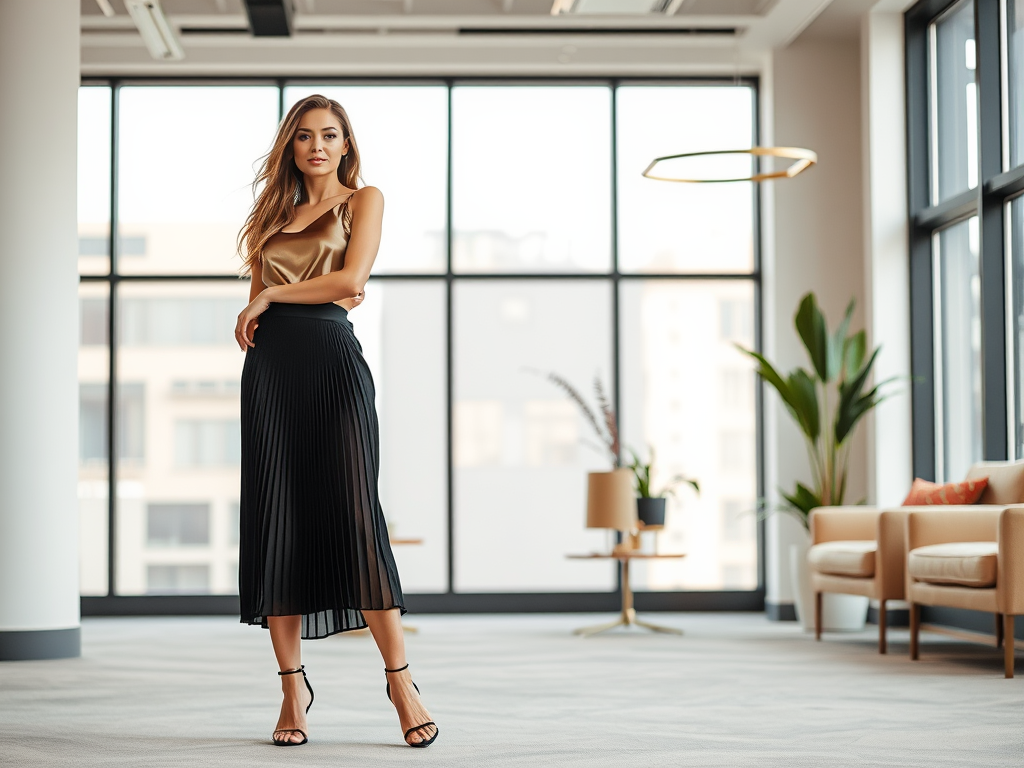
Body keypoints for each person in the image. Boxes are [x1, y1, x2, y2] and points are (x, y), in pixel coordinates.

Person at [234, 94, 438, 749]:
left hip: (332, 359)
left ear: (346, 143)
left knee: (356, 514)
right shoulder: (269, 218)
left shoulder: (363, 200)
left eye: (329, 135)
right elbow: (264, 310)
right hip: (271, 371)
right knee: (279, 521)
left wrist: (273, 290)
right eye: (303, 137)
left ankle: (400, 680)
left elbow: (352, 277)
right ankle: (292, 689)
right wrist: (277, 294)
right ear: (290, 147)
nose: (316, 146)